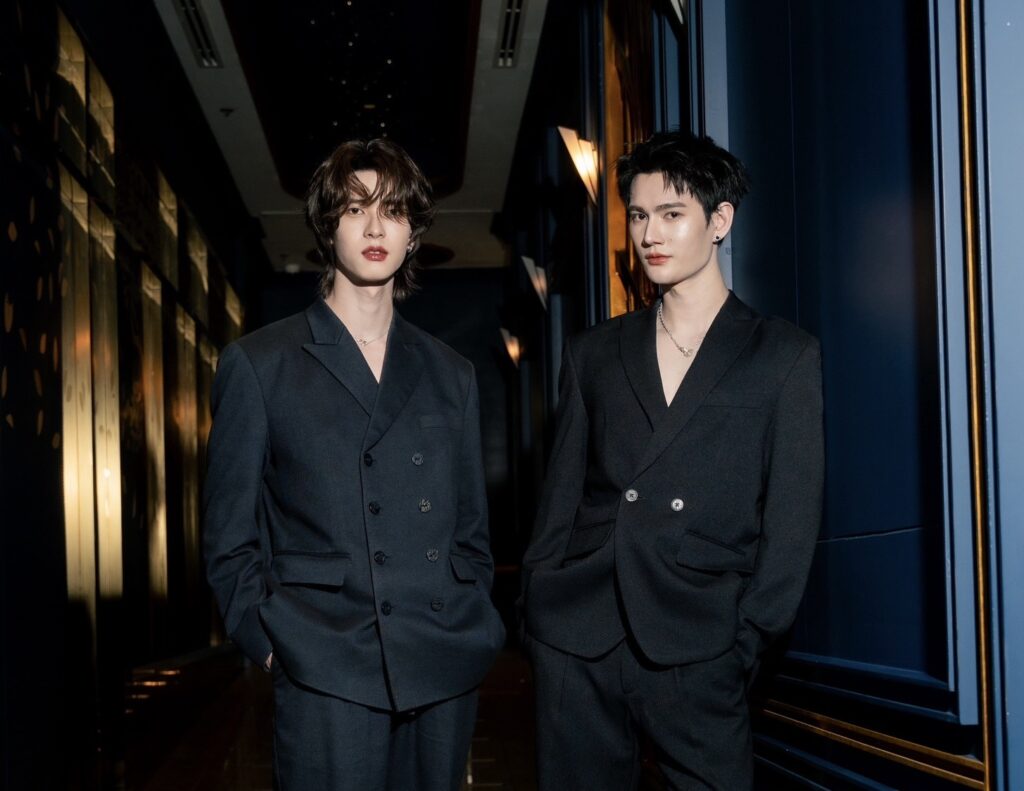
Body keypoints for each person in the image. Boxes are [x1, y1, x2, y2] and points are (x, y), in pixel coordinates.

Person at [521, 130, 824, 790]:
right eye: (638, 215)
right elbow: (559, 501)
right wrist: (540, 605)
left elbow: (791, 525)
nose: (649, 235)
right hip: (580, 636)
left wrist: (743, 644)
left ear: (720, 220)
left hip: (702, 643)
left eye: (671, 213)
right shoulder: (594, 353)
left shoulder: (782, 355)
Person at [203, 138, 505, 790]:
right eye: (355, 209)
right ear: (326, 225)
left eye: (393, 210)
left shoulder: (450, 373)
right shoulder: (261, 364)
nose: (375, 228)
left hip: (440, 657)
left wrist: (473, 618)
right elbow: (229, 535)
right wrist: (269, 643)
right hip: (325, 661)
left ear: (413, 233)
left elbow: (470, 530)